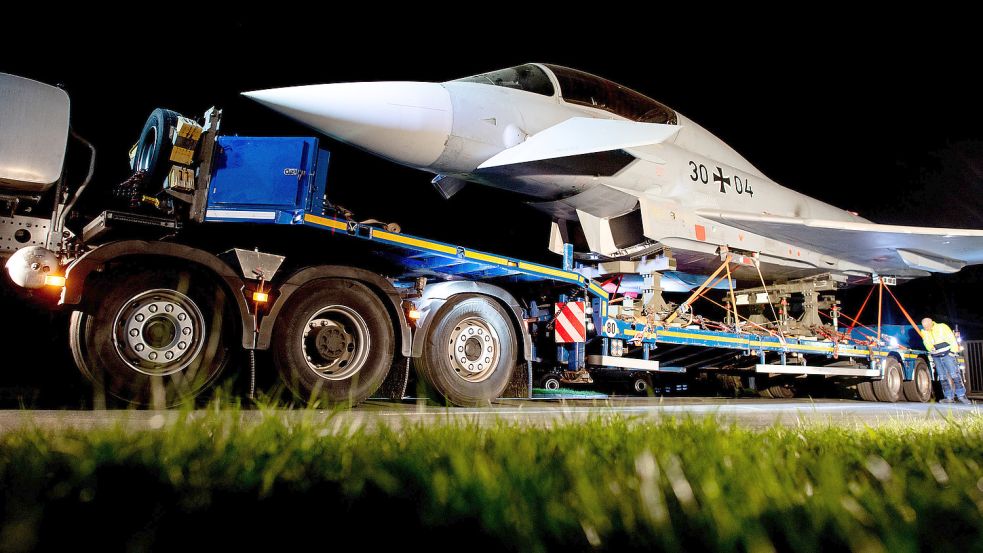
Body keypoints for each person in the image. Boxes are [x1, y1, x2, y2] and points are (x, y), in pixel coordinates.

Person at [921, 317, 971, 404]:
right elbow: (926, 342)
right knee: (942, 377)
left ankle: (961, 396)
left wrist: (952, 351)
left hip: (947, 354)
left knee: (954, 374)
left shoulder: (942, 327)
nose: (925, 328)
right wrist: (930, 348)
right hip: (936, 356)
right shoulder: (924, 332)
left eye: (926, 326)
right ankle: (948, 397)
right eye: (924, 326)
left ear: (931, 323)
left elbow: (951, 338)